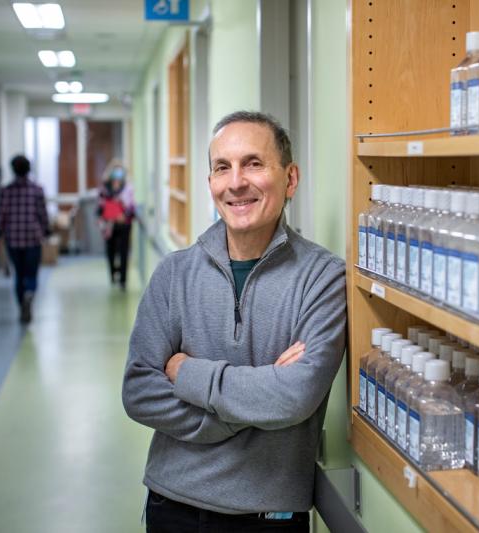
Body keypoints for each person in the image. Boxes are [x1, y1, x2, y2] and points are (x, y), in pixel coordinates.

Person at [122, 111, 347, 532]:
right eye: (222, 168)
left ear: (290, 179)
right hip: (172, 505)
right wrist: (256, 400)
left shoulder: (323, 277)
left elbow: (295, 397)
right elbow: (138, 390)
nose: (236, 182)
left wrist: (185, 372)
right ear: (211, 184)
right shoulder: (175, 274)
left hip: (269, 517)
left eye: (254, 164)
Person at [0, 155, 51, 323]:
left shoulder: (6, 191)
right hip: (33, 239)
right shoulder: (37, 189)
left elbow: (1, 214)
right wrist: (46, 230)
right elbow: (42, 214)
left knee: (19, 275)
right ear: (29, 169)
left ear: (13, 170)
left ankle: (22, 305)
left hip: (13, 239)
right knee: (32, 273)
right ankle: (29, 294)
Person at [97, 160, 135, 290]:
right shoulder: (105, 188)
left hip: (124, 224)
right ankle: (113, 273)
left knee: (124, 252)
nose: (118, 174)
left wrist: (124, 213)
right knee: (111, 251)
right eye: (115, 170)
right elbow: (99, 208)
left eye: (120, 170)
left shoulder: (127, 187)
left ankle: (123, 280)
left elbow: (132, 207)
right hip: (109, 225)